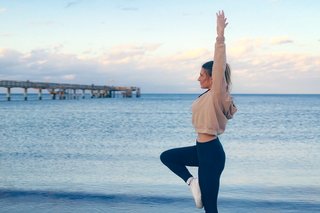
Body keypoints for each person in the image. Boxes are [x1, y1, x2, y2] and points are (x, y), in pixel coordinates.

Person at [160, 10, 237, 213]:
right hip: (201, 150)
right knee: (167, 157)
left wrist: (220, 35)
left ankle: (195, 185)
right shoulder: (206, 96)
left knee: (210, 208)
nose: (198, 78)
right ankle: (191, 182)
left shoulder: (217, 93)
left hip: (211, 153)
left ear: (213, 78)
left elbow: (219, 64)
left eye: (202, 74)